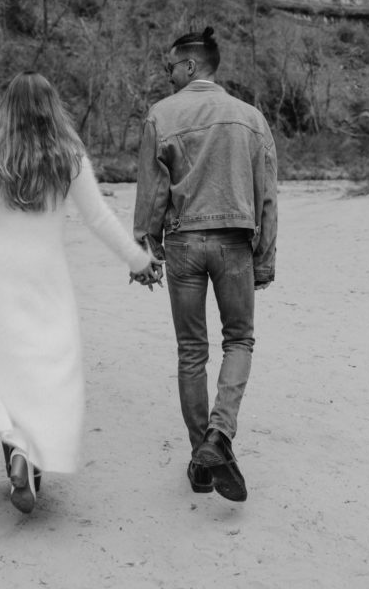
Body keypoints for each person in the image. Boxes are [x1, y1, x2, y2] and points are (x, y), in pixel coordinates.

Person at [0, 71, 158, 514]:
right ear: (53, 107)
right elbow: (98, 218)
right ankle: (29, 458)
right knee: (53, 369)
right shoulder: (69, 154)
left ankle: (17, 452)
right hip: (45, 277)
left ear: (8, 107)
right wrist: (137, 260)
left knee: (6, 371)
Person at [133, 26, 277, 502]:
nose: (167, 73)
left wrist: (146, 249)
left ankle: (201, 457)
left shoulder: (162, 114)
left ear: (191, 66)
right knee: (240, 339)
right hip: (236, 243)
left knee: (191, 351)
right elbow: (267, 195)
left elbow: (152, 193)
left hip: (184, 245)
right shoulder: (251, 118)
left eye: (171, 66)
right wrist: (265, 258)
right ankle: (220, 436)